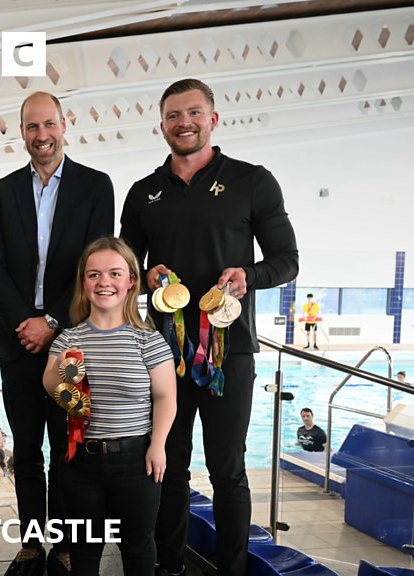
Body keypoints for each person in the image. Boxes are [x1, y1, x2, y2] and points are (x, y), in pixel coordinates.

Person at [120, 78, 298, 576]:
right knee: (168, 467)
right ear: (162, 125)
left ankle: (232, 570)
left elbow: (287, 261)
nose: (184, 123)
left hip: (230, 351)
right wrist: (143, 276)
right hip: (165, 351)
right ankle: (168, 566)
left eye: (194, 113)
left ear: (213, 119)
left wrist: (249, 276)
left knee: (228, 470)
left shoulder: (252, 181)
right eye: (174, 116)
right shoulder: (143, 192)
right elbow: (123, 268)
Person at [0, 91, 116, 576]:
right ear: (22, 132)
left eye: (48, 125)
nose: (41, 136)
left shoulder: (96, 186)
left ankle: (62, 543)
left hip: (72, 336)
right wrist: (27, 323)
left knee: (66, 446)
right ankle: (33, 543)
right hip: (19, 338)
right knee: (27, 446)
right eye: (32, 127)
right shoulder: (2, 191)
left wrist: (54, 322)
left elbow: (95, 260)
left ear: (65, 124)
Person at [43, 237, 177, 576]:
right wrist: (65, 372)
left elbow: (165, 397)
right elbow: (49, 384)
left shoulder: (147, 339)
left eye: (115, 274)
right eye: (94, 275)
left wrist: (158, 445)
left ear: (131, 280)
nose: (104, 282)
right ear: (83, 282)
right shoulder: (68, 339)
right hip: (81, 463)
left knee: (137, 545)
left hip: (136, 461)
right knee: (84, 550)